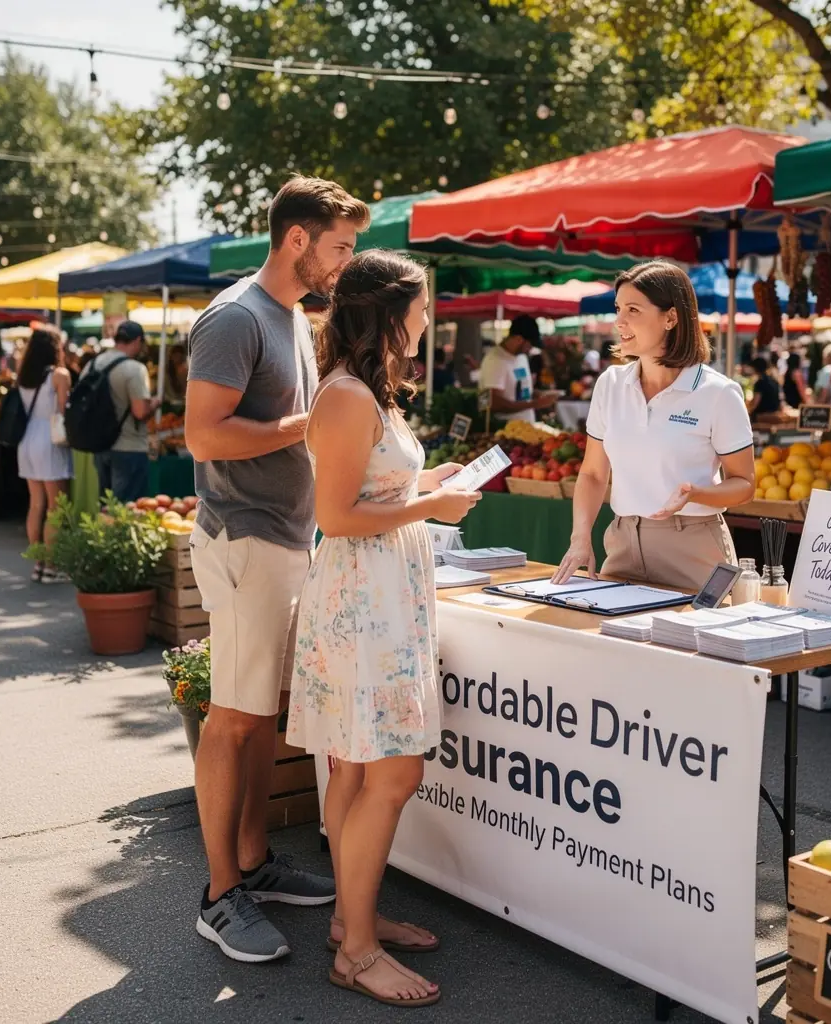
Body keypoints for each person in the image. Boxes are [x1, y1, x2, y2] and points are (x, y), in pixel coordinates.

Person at [184, 175, 370, 965]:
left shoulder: (291, 315)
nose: (346, 261)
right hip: (246, 539)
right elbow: (204, 437)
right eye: (340, 246)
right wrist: (312, 421)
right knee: (233, 716)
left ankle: (253, 863)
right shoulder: (234, 317)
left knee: (259, 713)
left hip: (283, 540)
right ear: (297, 239)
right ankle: (219, 895)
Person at [289, 250, 479, 1007]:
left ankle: (349, 920)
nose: (429, 320)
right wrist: (430, 507)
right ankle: (358, 951)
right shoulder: (346, 397)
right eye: (423, 306)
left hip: (379, 595)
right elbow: (335, 516)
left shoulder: (369, 393)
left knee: (363, 769)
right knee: (393, 771)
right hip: (364, 600)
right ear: (390, 312)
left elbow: (367, 486)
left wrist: (425, 484)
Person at [553, 261, 754, 591]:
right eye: (618, 309)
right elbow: (592, 474)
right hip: (622, 544)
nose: (619, 321)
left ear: (671, 317)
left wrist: (696, 493)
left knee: (695, 642)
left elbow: (744, 483)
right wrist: (580, 538)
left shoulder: (718, 393)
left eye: (633, 310)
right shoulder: (610, 384)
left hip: (693, 547)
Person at [16, 329, 74, 583]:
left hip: (27, 439)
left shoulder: (24, 375)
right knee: (55, 507)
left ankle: (38, 564)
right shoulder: (59, 375)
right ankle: (51, 566)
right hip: (50, 439)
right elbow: (62, 412)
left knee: (36, 504)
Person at [87, 321, 160, 503]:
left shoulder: (93, 364)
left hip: (100, 445)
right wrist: (155, 403)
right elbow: (140, 412)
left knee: (106, 508)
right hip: (130, 447)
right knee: (127, 511)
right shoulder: (135, 369)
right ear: (137, 341)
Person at [478, 314, 557, 423]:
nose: (531, 349)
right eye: (530, 345)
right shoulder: (495, 360)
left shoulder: (521, 357)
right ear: (519, 339)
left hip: (525, 427)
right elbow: (493, 403)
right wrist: (536, 404)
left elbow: (518, 391)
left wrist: (535, 394)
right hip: (505, 431)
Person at [748, 356, 784, 423]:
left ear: (755, 368)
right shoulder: (774, 381)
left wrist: (747, 411)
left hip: (761, 417)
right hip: (774, 415)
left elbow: (755, 404)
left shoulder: (760, 383)